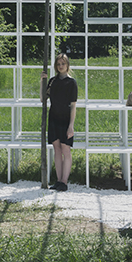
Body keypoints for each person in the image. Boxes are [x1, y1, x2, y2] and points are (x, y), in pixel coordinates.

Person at [40, 54, 78, 191]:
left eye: (63, 63)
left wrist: (71, 125)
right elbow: (42, 98)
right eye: (58, 64)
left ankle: (64, 181)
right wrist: (42, 82)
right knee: (56, 149)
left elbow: (73, 105)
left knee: (66, 149)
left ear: (67, 65)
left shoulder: (72, 82)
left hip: (66, 119)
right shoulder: (52, 81)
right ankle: (58, 180)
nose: (61, 66)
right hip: (53, 118)